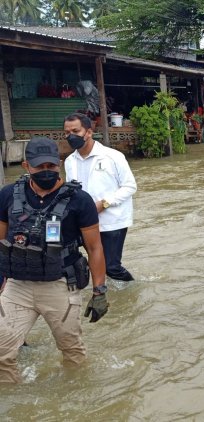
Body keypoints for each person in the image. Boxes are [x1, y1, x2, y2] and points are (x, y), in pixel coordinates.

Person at [0, 137, 108, 383]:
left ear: (59, 164)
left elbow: (95, 248)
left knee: (72, 350)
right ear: (27, 166)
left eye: (51, 166)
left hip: (60, 285)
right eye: (40, 167)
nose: (46, 172)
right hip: (18, 287)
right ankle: (14, 403)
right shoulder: (7, 195)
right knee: (2, 351)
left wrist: (99, 291)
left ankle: (78, 397)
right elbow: (1, 242)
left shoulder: (80, 200)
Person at [63, 113, 138, 282]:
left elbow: (130, 186)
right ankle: (100, 289)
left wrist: (103, 204)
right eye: (67, 133)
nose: (71, 136)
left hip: (112, 220)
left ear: (88, 132)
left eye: (75, 131)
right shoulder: (70, 161)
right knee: (86, 260)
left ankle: (131, 288)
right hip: (84, 221)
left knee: (111, 267)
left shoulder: (112, 156)